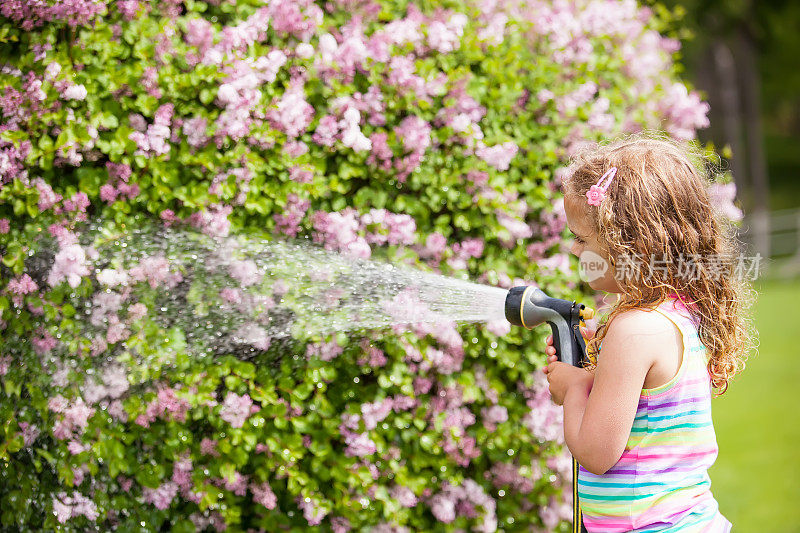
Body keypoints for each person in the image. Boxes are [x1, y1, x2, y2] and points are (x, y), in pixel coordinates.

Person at [541, 135, 757, 532]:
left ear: (629, 244)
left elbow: (596, 452)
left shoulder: (634, 329)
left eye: (581, 239)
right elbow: (646, 412)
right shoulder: (674, 311)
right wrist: (593, 374)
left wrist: (573, 389)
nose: (574, 251)